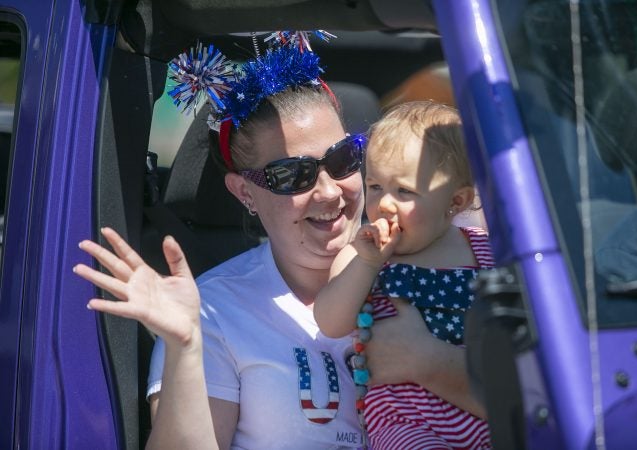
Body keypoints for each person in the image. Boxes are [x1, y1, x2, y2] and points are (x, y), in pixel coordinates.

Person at [73, 34, 483, 450]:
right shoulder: (215, 310)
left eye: (343, 160)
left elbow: (543, 405)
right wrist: (186, 346)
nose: (328, 192)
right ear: (244, 193)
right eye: (292, 175)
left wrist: (434, 363)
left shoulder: (457, 261)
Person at [315, 101, 493, 450]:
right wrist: (366, 264)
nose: (384, 204)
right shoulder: (361, 253)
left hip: (484, 414)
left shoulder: (485, 252)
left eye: (404, 191)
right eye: (376, 186)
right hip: (404, 423)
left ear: (456, 202)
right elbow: (330, 322)